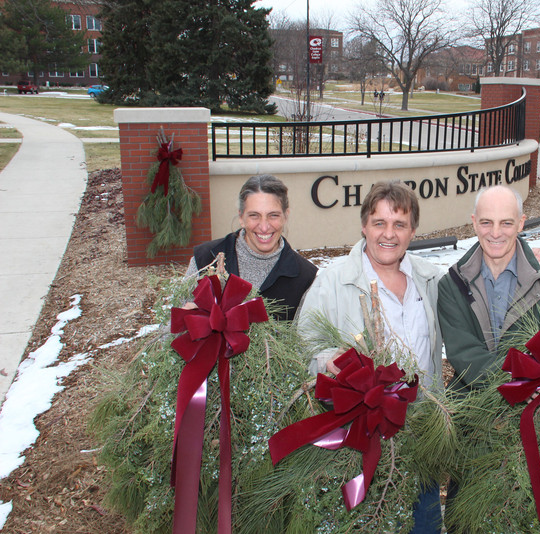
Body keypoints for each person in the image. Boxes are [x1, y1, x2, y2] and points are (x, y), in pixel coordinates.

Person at [297, 181, 442, 533]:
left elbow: (476, 283)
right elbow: (304, 348)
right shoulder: (333, 282)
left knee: (424, 524)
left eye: (399, 224)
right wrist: (331, 363)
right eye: (379, 223)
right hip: (361, 440)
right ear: (364, 226)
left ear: (412, 231)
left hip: (422, 434)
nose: (388, 234)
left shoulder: (431, 279)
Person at [437, 185, 540, 392]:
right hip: (471, 412)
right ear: (474, 223)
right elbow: (464, 352)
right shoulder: (452, 286)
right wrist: (516, 386)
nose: (496, 233)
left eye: (506, 223)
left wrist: (530, 388)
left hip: (538, 408)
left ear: (521, 223)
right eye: (486, 222)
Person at [186, 174, 317, 321]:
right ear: (241, 217)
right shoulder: (206, 259)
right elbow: (169, 332)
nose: (264, 226)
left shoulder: (305, 277)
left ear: (285, 216)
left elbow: (305, 339)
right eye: (254, 215)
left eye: (273, 215)